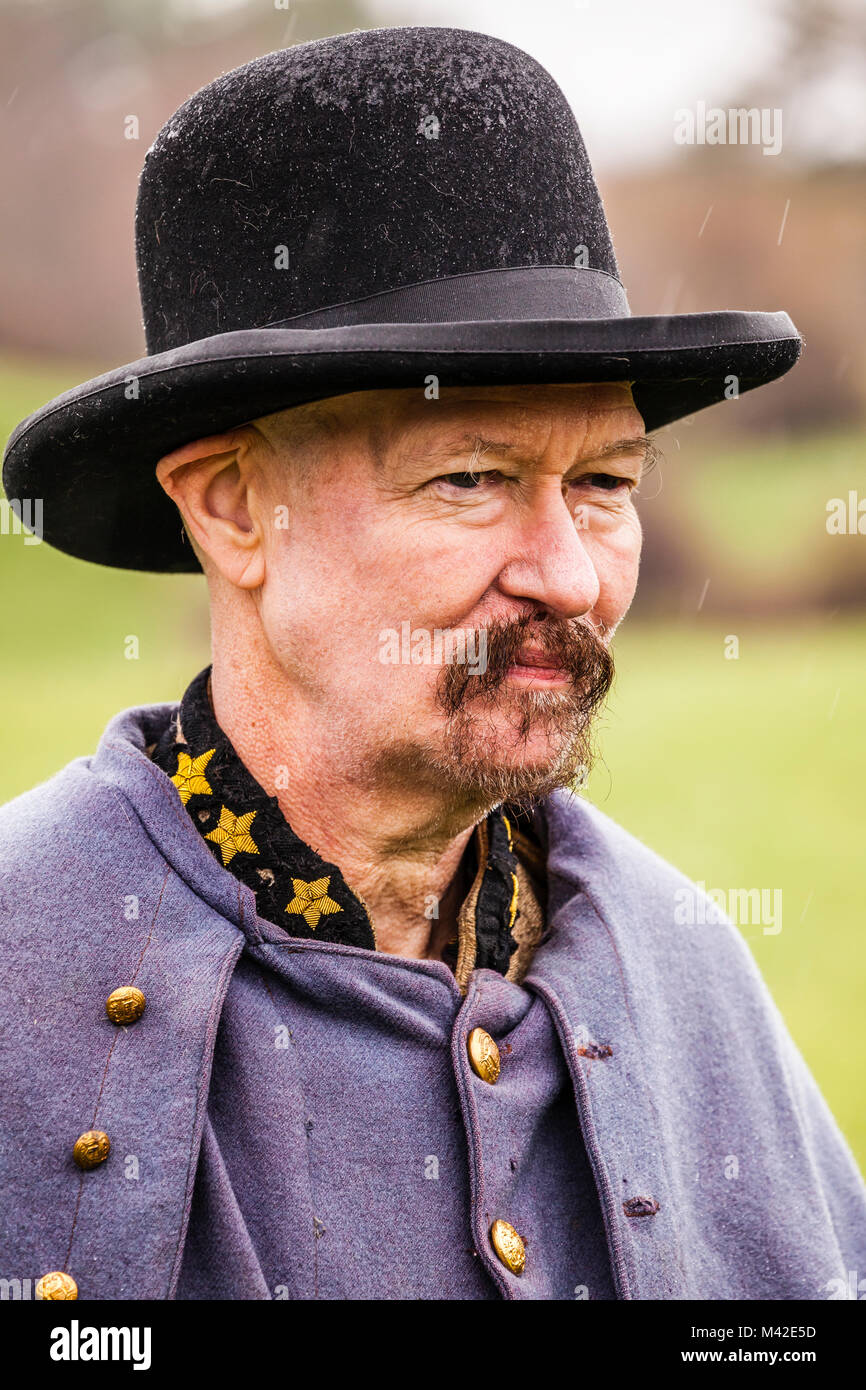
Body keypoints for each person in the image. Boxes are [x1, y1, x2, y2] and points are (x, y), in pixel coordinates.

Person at [2, 25, 862, 1302]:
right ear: (234, 508)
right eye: (469, 479)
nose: (568, 578)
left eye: (605, 484)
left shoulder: (680, 962)